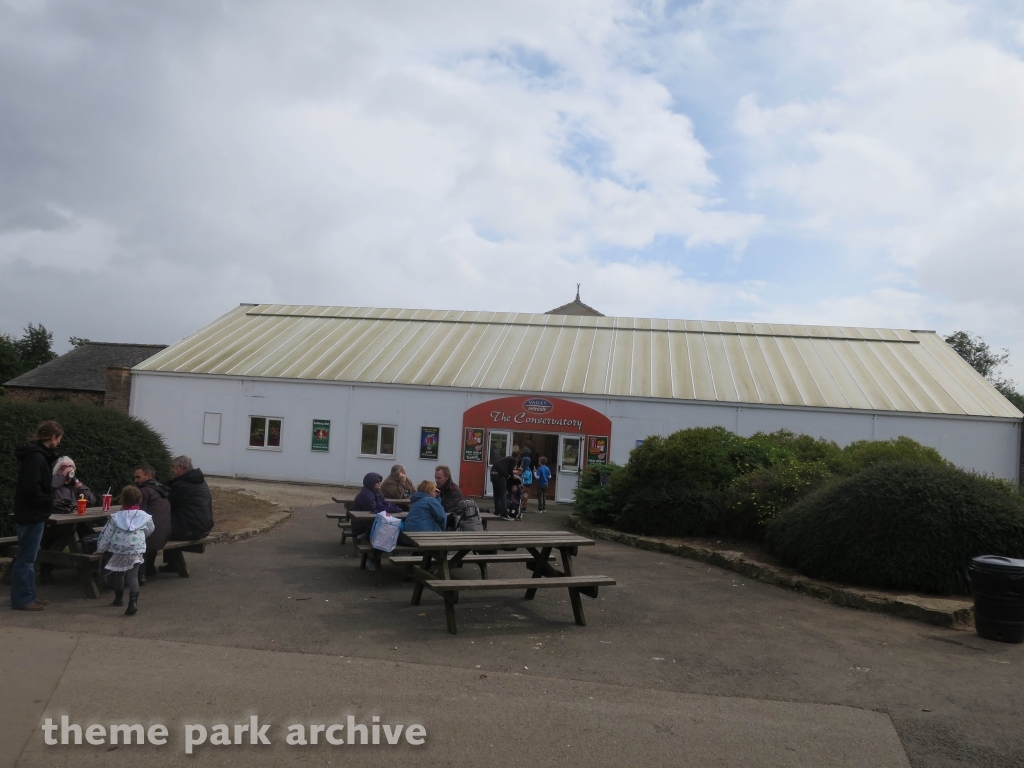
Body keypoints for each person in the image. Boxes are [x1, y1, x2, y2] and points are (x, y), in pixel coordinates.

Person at [11, 421, 63, 611]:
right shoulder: (37, 459)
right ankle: (22, 599)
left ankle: (29, 596)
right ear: (54, 437)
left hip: (32, 513)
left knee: (29, 558)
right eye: (59, 439)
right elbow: (31, 489)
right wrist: (48, 500)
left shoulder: (38, 457)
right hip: (31, 515)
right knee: (25, 559)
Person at [96, 485, 154, 616]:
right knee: (133, 575)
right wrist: (142, 536)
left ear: (123, 499)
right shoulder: (144, 517)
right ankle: (133, 603)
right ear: (139, 499)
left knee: (119, 574)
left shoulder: (116, 517)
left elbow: (106, 534)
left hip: (119, 549)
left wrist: (100, 549)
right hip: (136, 549)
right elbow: (151, 529)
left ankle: (118, 598)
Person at [352, 472, 402, 571]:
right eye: (377, 481)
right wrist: (388, 508)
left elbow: (382, 505)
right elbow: (374, 508)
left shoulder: (377, 492)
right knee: (383, 533)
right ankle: (373, 558)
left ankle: (377, 555)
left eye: (380, 481)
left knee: (390, 529)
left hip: (371, 522)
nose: (379, 483)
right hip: (361, 524)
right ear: (370, 482)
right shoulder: (366, 494)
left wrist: (390, 508)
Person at [134, 464, 171, 583]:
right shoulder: (161, 489)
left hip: (151, 536)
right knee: (149, 531)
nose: (135, 480)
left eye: (138, 477)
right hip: (164, 534)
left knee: (134, 535)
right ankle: (149, 568)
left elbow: (136, 514)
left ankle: (140, 574)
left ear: (148, 475)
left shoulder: (145, 491)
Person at [166, 455, 214, 542]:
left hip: (190, 529)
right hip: (203, 527)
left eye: (173, 467)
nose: (171, 470)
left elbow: (166, 505)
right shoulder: (200, 481)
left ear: (181, 467)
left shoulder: (182, 485)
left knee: (153, 533)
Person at [434, 465, 483, 531]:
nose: (436, 480)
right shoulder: (439, 489)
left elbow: (445, 509)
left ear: (447, 478)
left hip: (451, 523)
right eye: (436, 478)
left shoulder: (455, 491)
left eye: (439, 478)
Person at [489, 451, 519, 520]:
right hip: (500, 475)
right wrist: (513, 476)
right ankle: (504, 514)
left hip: (493, 474)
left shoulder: (505, 459)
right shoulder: (513, 460)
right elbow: (510, 470)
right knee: (502, 495)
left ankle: (497, 512)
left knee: (496, 494)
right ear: (517, 457)